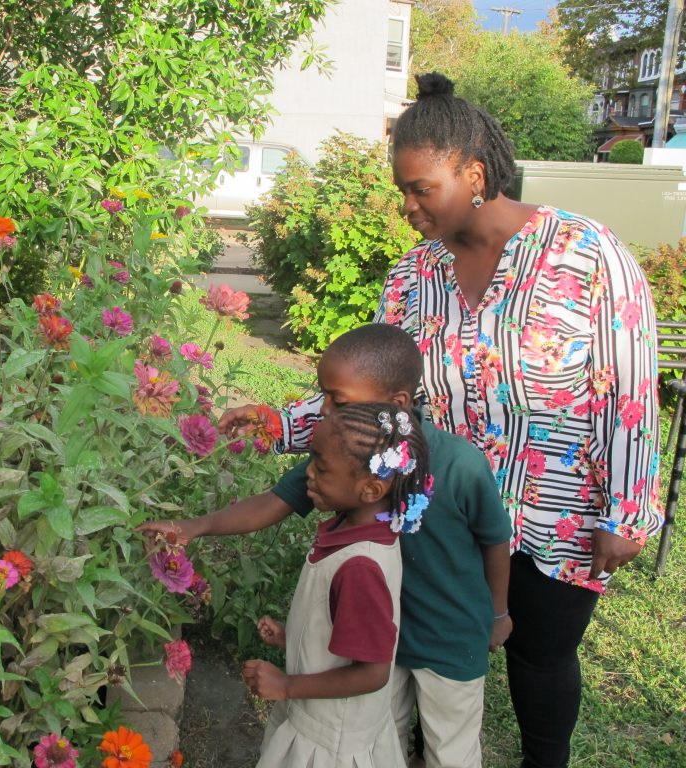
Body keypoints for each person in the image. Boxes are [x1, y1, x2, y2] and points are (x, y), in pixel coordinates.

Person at [222, 73, 664, 768]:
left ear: (475, 174)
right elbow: (373, 388)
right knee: (437, 651)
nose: (405, 206)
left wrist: (629, 511)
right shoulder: (412, 277)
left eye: (419, 188)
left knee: (540, 659)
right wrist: (279, 422)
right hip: (442, 511)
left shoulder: (586, 254)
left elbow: (630, 387)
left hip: (560, 512)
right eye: (401, 189)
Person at [143, 324, 512, 768]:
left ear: (396, 402)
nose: (325, 409)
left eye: (337, 398)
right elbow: (274, 502)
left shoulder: (456, 463)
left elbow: (495, 541)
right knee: (381, 738)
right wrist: (194, 526)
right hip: (379, 637)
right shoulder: (341, 460)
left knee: (450, 751)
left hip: (452, 639)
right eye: (324, 397)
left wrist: (499, 614)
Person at [247, 402, 430, 768]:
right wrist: (295, 635)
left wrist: (286, 686)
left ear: (370, 488)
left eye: (322, 467)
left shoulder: (360, 567)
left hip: (331, 745)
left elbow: (372, 672)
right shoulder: (359, 530)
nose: (309, 474)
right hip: (325, 726)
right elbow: (347, 627)